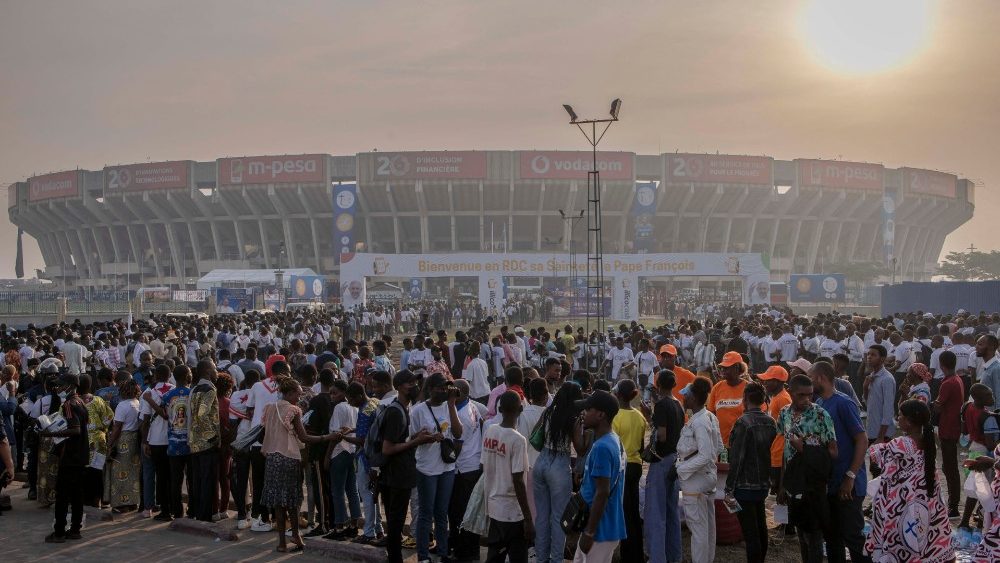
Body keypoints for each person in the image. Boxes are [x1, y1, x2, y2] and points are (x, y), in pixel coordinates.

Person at [864, 400, 954, 562]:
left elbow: (876, 457)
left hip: (903, 504)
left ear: (909, 421)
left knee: (901, 540)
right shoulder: (928, 441)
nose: (897, 418)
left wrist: (874, 445)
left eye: (900, 415)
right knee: (926, 535)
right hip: (925, 501)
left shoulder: (901, 444)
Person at [260, 376, 338, 553]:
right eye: (298, 394)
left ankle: (282, 542)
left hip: (271, 458)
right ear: (289, 393)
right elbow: (304, 437)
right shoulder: (294, 410)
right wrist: (327, 437)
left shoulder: (270, 408)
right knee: (292, 500)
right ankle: (295, 534)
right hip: (288, 457)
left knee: (278, 503)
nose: (299, 398)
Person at [810, 361, 872, 563]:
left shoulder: (844, 403)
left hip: (848, 485)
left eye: (811, 378)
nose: (809, 383)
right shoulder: (820, 403)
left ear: (820, 378)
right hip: (831, 482)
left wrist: (850, 476)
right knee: (832, 538)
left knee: (853, 538)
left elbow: (862, 440)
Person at [776, 374, 837, 563]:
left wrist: (805, 449)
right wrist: (782, 485)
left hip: (813, 484)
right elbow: (785, 452)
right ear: (790, 392)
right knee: (801, 534)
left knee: (813, 535)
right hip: (794, 482)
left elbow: (833, 452)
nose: (807, 399)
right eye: (801, 395)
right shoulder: (785, 413)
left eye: (810, 395)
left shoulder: (820, 415)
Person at [380, 370, 436, 563]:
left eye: (416, 383)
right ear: (398, 387)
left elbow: (399, 439)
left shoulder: (404, 409)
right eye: (410, 383)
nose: (415, 387)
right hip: (396, 476)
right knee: (395, 522)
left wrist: (415, 437)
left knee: (396, 520)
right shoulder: (396, 412)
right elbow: (387, 448)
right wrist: (415, 442)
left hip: (401, 474)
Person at [409, 372, 463, 563]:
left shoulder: (449, 406)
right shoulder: (418, 410)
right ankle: (423, 556)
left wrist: (452, 405)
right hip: (427, 469)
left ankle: (442, 553)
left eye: (446, 388)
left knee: (441, 513)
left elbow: (458, 433)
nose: (444, 391)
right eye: (440, 388)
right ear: (430, 389)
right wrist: (426, 438)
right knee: (426, 513)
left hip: (446, 468)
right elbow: (411, 439)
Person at [724, 381, 777, 563]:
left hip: (744, 486)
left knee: (751, 533)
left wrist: (729, 488)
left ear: (745, 399)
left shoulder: (743, 423)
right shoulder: (771, 422)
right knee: (761, 527)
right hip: (762, 484)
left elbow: (736, 459)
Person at [572, 390, 626, 562]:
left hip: (599, 530)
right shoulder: (612, 439)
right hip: (602, 525)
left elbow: (602, 492)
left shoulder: (602, 447)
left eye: (588, 409)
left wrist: (589, 532)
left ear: (601, 415)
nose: (583, 413)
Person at [532, 381, 583, 563]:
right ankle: (556, 559)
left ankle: (541, 558)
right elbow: (580, 448)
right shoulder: (573, 418)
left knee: (542, 516)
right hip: (560, 464)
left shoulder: (548, 412)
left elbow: (534, 434)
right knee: (559, 518)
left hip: (541, 462)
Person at [481, 391, 533, 563]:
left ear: (500, 409)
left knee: (495, 556)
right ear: (520, 409)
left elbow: (484, 465)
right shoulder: (518, 440)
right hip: (512, 511)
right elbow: (518, 480)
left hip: (493, 506)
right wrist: (528, 518)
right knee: (518, 557)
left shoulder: (490, 431)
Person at [675, 376, 723, 563]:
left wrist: (681, 468)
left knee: (698, 530)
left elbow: (705, 455)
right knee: (708, 527)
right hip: (707, 477)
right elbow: (718, 448)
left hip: (695, 480)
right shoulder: (709, 416)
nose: (683, 398)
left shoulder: (699, 421)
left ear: (694, 398)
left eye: (686, 396)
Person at [41, 373, 90, 543]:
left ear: (70, 386)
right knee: (77, 495)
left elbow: (75, 429)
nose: (59, 388)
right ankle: (75, 529)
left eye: (61, 385)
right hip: (81, 455)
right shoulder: (80, 402)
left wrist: (50, 433)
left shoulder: (69, 404)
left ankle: (59, 532)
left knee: (62, 495)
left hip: (70, 455)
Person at [644, 369, 684, 563]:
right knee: (671, 511)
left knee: (656, 512)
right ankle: (674, 556)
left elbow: (661, 435)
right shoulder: (678, 404)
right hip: (675, 459)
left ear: (658, 384)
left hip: (662, 460)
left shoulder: (661, 405)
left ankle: (657, 557)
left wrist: (649, 418)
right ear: (674, 385)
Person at [610, 379, 645, 562]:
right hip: (636, 465)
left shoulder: (615, 416)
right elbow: (641, 446)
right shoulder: (639, 416)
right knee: (634, 511)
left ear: (618, 394)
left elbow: (614, 446)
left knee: (625, 513)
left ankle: (628, 554)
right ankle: (637, 552)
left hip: (622, 466)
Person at [933, 350, 964, 519]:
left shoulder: (948, 382)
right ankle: (953, 502)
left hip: (948, 428)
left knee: (950, 468)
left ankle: (953, 506)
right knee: (948, 466)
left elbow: (938, 406)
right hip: (952, 427)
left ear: (941, 364)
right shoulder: (956, 379)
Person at [106, 378, 142, 512]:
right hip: (135, 439)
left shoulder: (122, 405)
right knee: (133, 473)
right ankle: (132, 502)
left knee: (119, 473)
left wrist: (110, 444)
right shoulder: (138, 403)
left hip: (123, 441)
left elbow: (117, 428)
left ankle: (121, 504)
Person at [863, 345, 896, 476]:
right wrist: (865, 386)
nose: (869, 357)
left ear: (882, 358)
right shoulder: (872, 376)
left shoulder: (886, 379)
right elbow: (868, 403)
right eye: (868, 354)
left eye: (873, 355)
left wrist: (881, 437)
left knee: (880, 470)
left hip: (882, 433)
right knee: (874, 469)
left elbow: (888, 410)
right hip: (872, 429)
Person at [707, 351, 748, 447]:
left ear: (737, 368)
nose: (723, 370)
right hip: (721, 444)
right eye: (722, 368)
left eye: (726, 368)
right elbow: (710, 415)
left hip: (743, 444)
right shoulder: (717, 388)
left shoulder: (749, 388)